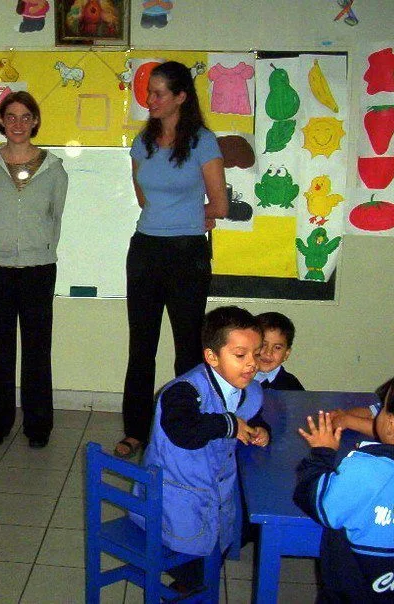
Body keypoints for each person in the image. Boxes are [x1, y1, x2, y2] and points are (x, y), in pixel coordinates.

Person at [115, 61, 229, 459]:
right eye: (149, 92)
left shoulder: (203, 141)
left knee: (188, 350)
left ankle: (186, 434)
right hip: (145, 250)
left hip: (186, 255)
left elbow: (220, 204)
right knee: (141, 348)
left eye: (159, 93)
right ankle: (135, 432)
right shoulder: (142, 143)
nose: (151, 99)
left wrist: (190, 219)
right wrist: (176, 215)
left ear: (181, 97)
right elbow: (143, 199)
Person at [132, 306, 269, 590]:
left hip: (214, 493)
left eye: (256, 354)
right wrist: (228, 424)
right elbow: (184, 432)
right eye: (240, 355)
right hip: (173, 499)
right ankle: (184, 588)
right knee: (193, 567)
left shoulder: (248, 388)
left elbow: (253, 414)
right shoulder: (183, 392)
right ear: (212, 357)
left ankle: (194, 584)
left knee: (229, 537)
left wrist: (261, 429)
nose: (251, 364)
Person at [0, 91, 68, 449]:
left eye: (26, 117)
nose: (18, 124)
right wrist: (0, 245)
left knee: (37, 351)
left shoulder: (54, 169)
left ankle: (38, 427)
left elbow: (54, 217)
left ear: (35, 121)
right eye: (10, 116)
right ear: (1, 121)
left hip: (38, 268)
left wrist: (35, 247)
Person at [294, 370, 394, 602]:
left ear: (390, 424)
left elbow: (315, 499)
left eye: (383, 408)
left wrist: (322, 453)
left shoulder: (364, 469)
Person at [254, 311, 304, 391]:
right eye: (263, 345)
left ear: (286, 354)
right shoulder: (236, 379)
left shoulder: (292, 386)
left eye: (277, 347)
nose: (268, 353)